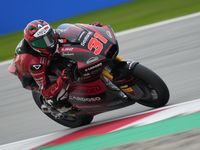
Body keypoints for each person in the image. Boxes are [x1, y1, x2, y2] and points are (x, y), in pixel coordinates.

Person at [8, 20, 103, 119]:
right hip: (32, 78)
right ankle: (57, 107)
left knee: (70, 55)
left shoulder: (49, 36)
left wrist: (90, 28)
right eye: (42, 42)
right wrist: (61, 79)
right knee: (59, 92)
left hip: (48, 59)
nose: (49, 43)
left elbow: (72, 32)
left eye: (49, 36)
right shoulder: (34, 63)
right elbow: (46, 90)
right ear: (33, 45)